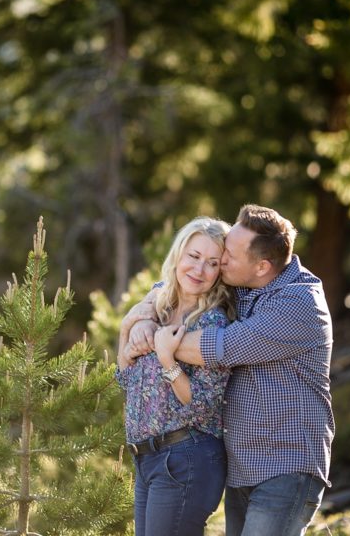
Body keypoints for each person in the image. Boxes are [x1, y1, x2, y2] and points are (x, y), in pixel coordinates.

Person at [123, 204, 334, 536]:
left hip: (285, 467)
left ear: (262, 266)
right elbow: (181, 283)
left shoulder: (299, 304)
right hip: (243, 466)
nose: (220, 262)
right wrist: (148, 313)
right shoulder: (247, 283)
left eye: (228, 256)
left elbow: (221, 347)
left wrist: (159, 339)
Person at [116, 217, 234, 536]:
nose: (199, 270)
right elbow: (125, 380)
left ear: (220, 271)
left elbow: (201, 405)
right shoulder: (159, 306)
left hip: (186, 458)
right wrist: (128, 329)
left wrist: (167, 358)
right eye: (193, 257)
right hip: (147, 459)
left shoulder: (212, 324)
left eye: (212, 263)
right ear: (178, 255)